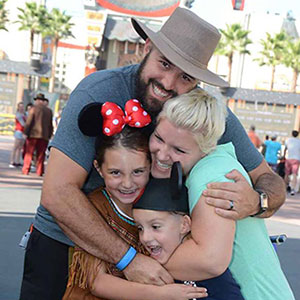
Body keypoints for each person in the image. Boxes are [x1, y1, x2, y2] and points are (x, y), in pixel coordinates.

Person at [19, 7, 286, 300]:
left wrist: (257, 201)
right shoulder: (99, 90)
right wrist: (128, 260)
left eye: (185, 77)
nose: (169, 84)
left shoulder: (203, 114)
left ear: (198, 82)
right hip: (69, 247)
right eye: (165, 64)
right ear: (147, 47)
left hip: (150, 253)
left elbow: (269, 180)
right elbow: (57, 193)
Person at [150, 89, 295, 299]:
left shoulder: (213, 174)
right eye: (158, 138)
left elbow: (209, 260)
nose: (162, 154)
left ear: (206, 149)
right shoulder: (206, 166)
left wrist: (135, 261)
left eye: (179, 150)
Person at [62, 100, 207, 300]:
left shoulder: (162, 199)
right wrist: (159, 294)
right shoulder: (93, 209)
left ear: (151, 165)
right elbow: (96, 282)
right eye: (115, 173)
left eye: (138, 171)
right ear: (98, 168)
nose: (127, 183)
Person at [133, 172, 244, 300]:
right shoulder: (147, 270)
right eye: (140, 228)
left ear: (184, 225)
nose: (145, 237)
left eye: (155, 227)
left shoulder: (208, 273)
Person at [22, 93, 53, 176]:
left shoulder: (33, 109)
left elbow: (29, 122)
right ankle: (39, 171)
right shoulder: (49, 111)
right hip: (44, 136)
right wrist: (49, 135)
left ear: (38, 100)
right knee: (41, 154)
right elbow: (50, 125)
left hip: (33, 135)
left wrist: (25, 133)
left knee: (29, 153)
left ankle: (26, 169)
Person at [9, 102, 26, 168]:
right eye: (20, 107)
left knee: (20, 148)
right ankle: (12, 161)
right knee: (15, 147)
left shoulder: (24, 114)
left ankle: (18, 161)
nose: (21, 108)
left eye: (22, 107)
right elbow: (23, 124)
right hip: (18, 131)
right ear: (18, 107)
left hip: (23, 132)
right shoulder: (18, 115)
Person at [284, 130, 300, 195]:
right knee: (294, 174)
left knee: (286, 174)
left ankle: (285, 187)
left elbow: (285, 149)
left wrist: (283, 156)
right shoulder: (299, 141)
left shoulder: (288, 140)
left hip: (288, 158)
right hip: (296, 159)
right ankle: (292, 189)